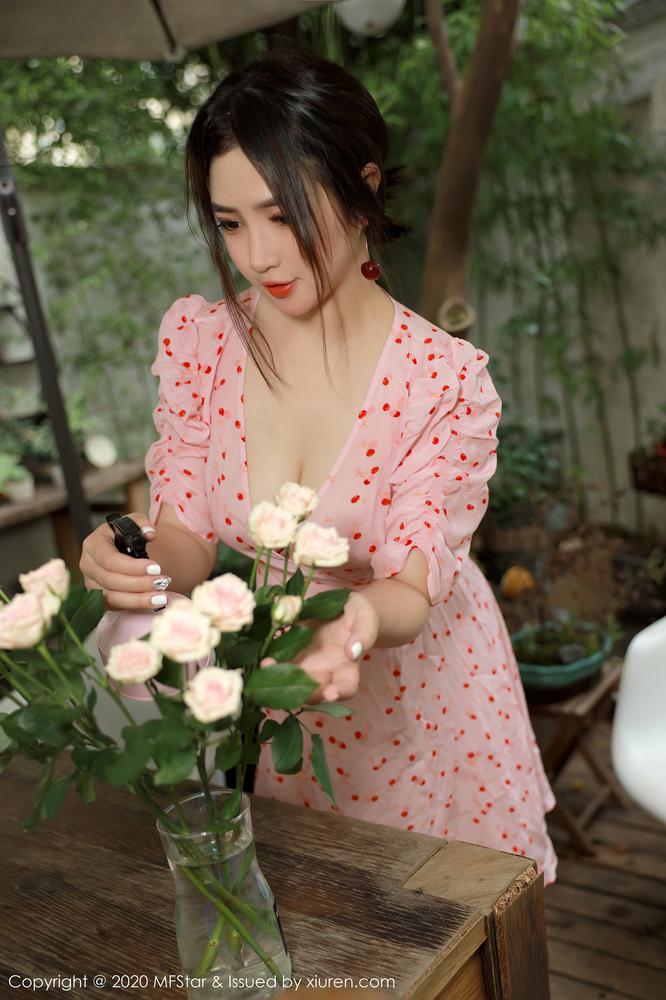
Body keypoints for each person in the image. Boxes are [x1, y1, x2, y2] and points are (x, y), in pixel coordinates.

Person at [79, 47, 557, 884]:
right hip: (291, 693)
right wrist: (137, 564)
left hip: (424, 692)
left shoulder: (441, 382)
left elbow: (410, 590)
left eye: (283, 213)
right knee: (325, 916)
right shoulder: (202, 346)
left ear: (363, 188)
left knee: (459, 913)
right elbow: (187, 537)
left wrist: (355, 619)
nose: (259, 255)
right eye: (231, 224)